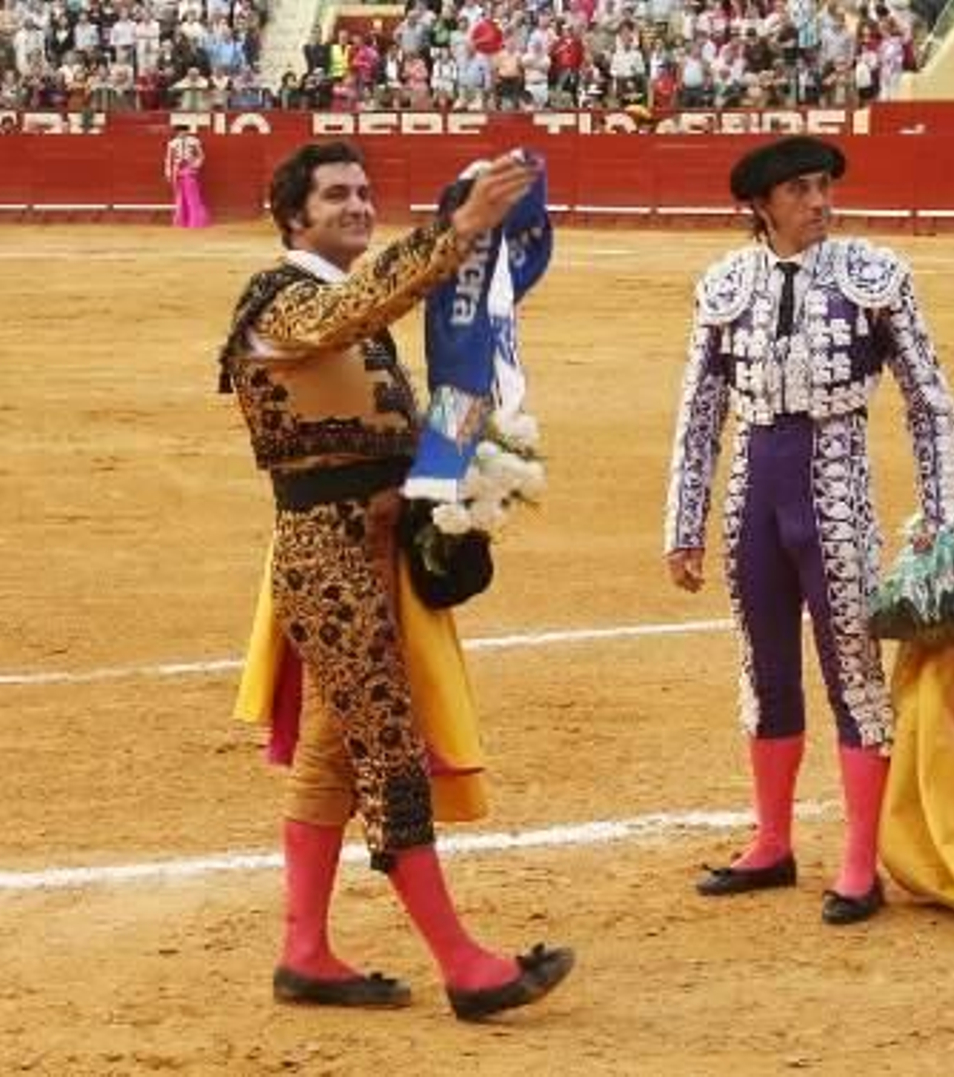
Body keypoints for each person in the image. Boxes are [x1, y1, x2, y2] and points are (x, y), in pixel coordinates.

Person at [216, 141, 575, 1020]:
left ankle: (305, 950)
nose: (356, 203)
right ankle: (465, 963)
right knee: (388, 751)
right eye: (336, 193)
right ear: (293, 214)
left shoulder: (350, 313)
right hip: (327, 555)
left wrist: (476, 454)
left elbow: (399, 418)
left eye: (365, 192)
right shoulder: (278, 303)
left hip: (373, 550)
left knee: (336, 751)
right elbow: (359, 303)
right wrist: (455, 233)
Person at [664, 135, 954, 925]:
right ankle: (772, 841)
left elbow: (929, 403)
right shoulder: (723, 284)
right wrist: (683, 523)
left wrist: (943, 521)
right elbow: (700, 412)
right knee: (764, 668)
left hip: (837, 481)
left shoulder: (877, 278)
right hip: (753, 491)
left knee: (854, 674)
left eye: (824, 185)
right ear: (760, 205)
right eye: (800, 189)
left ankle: (861, 861)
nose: (820, 201)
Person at [164, 129, 210, 229]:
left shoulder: (194, 141)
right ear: (176, 132)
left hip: (189, 170)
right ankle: (182, 222)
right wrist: (168, 172)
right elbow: (168, 159)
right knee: (180, 197)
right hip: (177, 171)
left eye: (184, 130)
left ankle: (196, 221)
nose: (182, 133)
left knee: (192, 196)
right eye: (180, 131)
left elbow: (201, 156)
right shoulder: (172, 143)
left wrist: (195, 165)